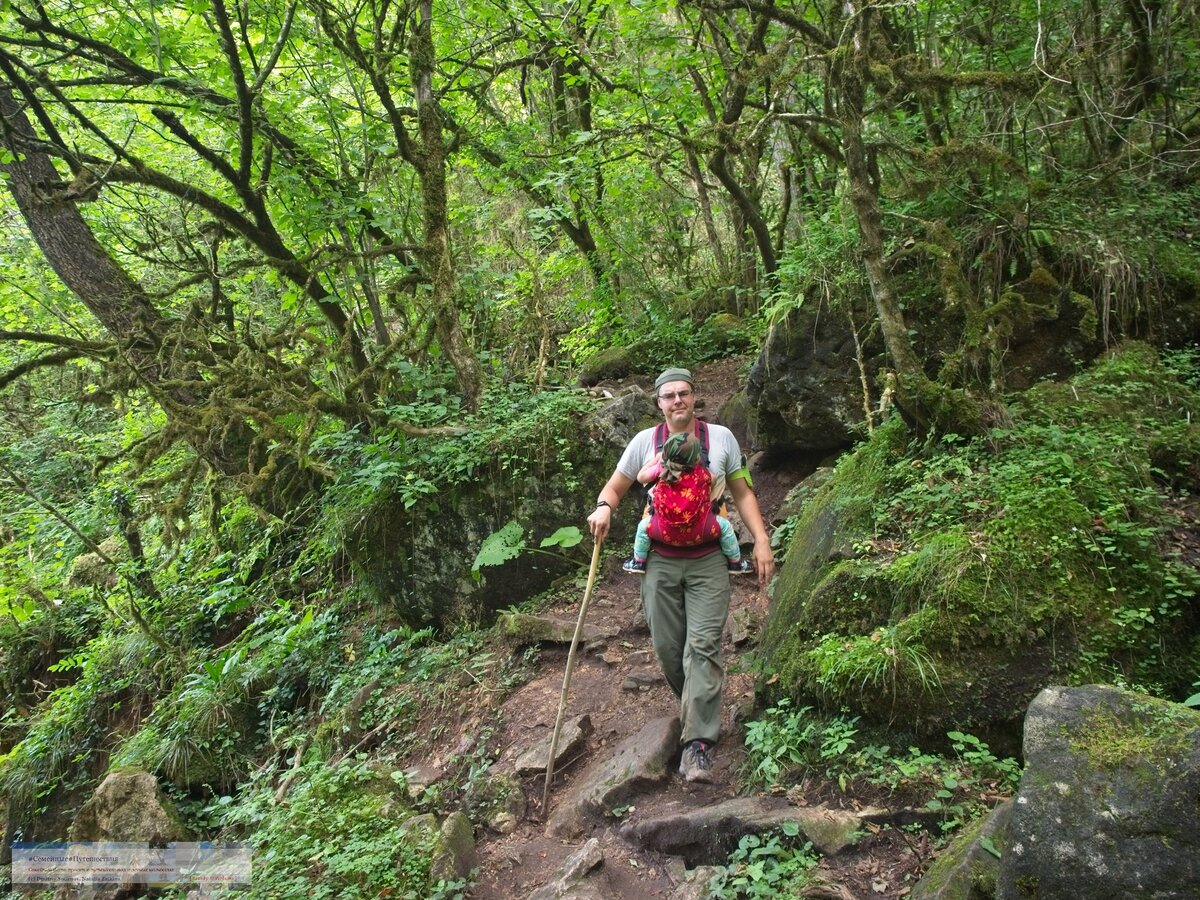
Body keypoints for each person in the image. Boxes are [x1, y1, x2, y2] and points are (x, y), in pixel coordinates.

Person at [587, 367, 775, 783]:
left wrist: (761, 539)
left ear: (694, 398)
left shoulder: (721, 439)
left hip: (709, 558)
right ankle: (697, 710)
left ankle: (698, 746)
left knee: (703, 647)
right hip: (660, 560)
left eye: (684, 394)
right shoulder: (644, 443)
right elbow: (614, 488)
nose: (677, 401)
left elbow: (742, 491)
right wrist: (603, 507)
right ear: (659, 402)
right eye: (669, 395)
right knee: (671, 651)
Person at [623, 430, 751, 576]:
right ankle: (735, 563)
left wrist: (657, 460)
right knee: (726, 528)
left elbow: (640, 477)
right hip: (701, 531)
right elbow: (714, 480)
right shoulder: (703, 473)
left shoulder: (661, 470)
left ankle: (639, 561)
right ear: (695, 458)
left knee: (642, 527)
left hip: (663, 530)